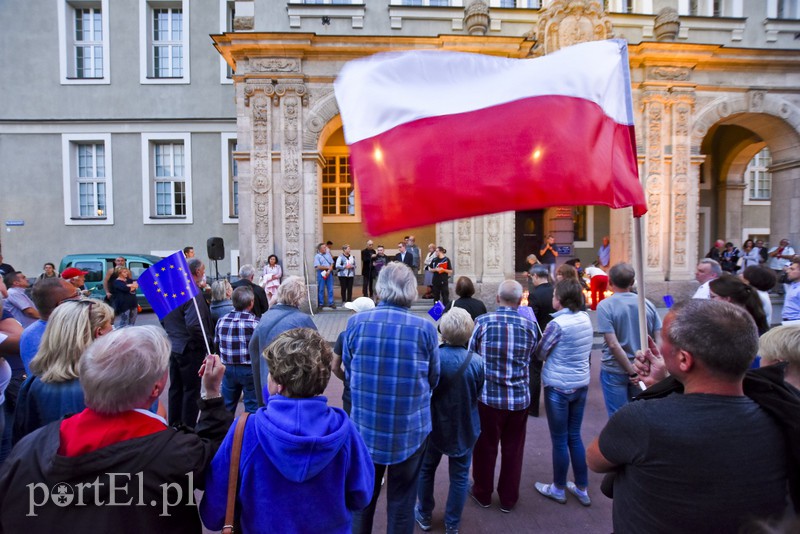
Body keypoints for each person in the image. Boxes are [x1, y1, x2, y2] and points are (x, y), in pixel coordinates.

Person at [0, 326, 233, 532]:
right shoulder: (176, 452)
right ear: (156, 388)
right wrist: (211, 395)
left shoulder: (29, 448)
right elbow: (218, 465)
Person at [587, 300, 791, 533]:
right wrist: (665, 383)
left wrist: (659, 391)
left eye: (664, 340)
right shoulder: (779, 414)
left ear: (684, 359)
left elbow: (595, 460)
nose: (659, 348)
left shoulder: (642, 420)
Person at [201, 328, 374, 533]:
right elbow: (361, 496)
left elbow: (213, 513)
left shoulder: (245, 431)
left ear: (279, 385)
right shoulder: (345, 432)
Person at [342, 262, 440, 533]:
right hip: (409, 430)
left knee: (362, 501)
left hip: (366, 428)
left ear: (379, 289)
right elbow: (433, 378)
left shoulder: (356, 324)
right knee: (402, 503)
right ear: (411, 291)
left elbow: (348, 371)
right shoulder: (425, 329)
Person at [468, 280, 538, 513]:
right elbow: (533, 354)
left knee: (484, 448)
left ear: (498, 298)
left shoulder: (483, 322)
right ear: (520, 301)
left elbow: (471, 355)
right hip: (518, 398)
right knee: (513, 450)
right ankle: (508, 498)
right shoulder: (530, 326)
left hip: (489, 397)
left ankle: (482, 493)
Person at [415, 308, 484, 534]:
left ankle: (424, 513)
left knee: (426, 469)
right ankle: (452, 522)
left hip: (434, 423)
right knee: (460, 475)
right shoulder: (477, 361)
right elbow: (478, 392)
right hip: (465, 424)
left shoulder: (433, 356)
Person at [13, 299, 114, 443]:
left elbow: (22, 437)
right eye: (111, 325)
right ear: (99, 333)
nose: (113, 331)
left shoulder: (32, 383)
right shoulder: (107, 385)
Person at [534, 280, 594, 507]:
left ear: (560, 299)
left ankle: (558, 487)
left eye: (554, 295)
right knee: (574, 436)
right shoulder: (585, 318)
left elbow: (541, 352)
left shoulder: (557, 324)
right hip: (580, 383)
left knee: (559, 439)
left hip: (558, 386)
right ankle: (582, 486)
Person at [596, 263, 661, 417]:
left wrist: (632, 372)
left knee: (618, 416)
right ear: (632, 282)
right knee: (640, 414)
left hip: (615, 368)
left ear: (610, 282)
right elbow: (659, 338)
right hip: (643, 367)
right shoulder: (647, 304)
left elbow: (613, 344)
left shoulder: (605, 306)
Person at [249, 276, 317, 406]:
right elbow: (317, 352)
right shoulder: (302, 320)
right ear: (300, 297)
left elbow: (253, 348)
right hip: (292, 385)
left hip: (267, 381)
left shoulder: (266, 317)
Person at [162, 258, 213, 429]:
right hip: (189, 347)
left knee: (176, 388)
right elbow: (194, 324)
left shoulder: (172, 290)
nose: (204, 274)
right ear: (197, 272)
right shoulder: (191, 292)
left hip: (175, 344)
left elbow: (163, 317)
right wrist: (206, 344)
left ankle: (175, 424)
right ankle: (186, 429)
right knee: (190, 390)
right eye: (203, 271)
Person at [214, 286, 260, 414]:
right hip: (248, 368)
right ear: (251, 303)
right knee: (252, 405)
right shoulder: (255, 323)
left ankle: (226, 425)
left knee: (227, 405)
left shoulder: (221, 320)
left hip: (227, 367)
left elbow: (216, 344)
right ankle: (248, 425)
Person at [20, 278, 76, 374]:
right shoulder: (38, 337)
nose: (81, 298)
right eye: (76, 295)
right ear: (62, 305)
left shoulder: (30, 332)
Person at [332, 296, 375, 415]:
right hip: (373, 392)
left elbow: (334, 367)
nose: (351, 314)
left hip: (351, 392)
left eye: (353, 311)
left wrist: (346, 379)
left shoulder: (344, 336)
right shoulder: (379, 337)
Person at [528, 264, 554, 417]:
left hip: (540, 336)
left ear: (536, 276)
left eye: (532, 277)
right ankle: (553, 405)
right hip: (556, 334)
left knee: (535, 371)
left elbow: (532, 319)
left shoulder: (535, 295)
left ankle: (533, 407)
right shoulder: (555, 290)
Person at [314, 243, 336, 310]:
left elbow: (332, 263)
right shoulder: (317, 256)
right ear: (320, 249)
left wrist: (329, 270)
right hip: (321, 273)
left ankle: (331, 303)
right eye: (324, 247)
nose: (325, 248)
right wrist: (327, 267)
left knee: (330, 289)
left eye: (325, 247)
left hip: (329, 273)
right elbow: (318, 266)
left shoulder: (328, 255)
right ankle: (321, 303)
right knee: (321, 289)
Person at [783, 259, 800, 324]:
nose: (788, 271)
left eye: (792, 269)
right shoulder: (792, 285)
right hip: (789, 321)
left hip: (796, 322)